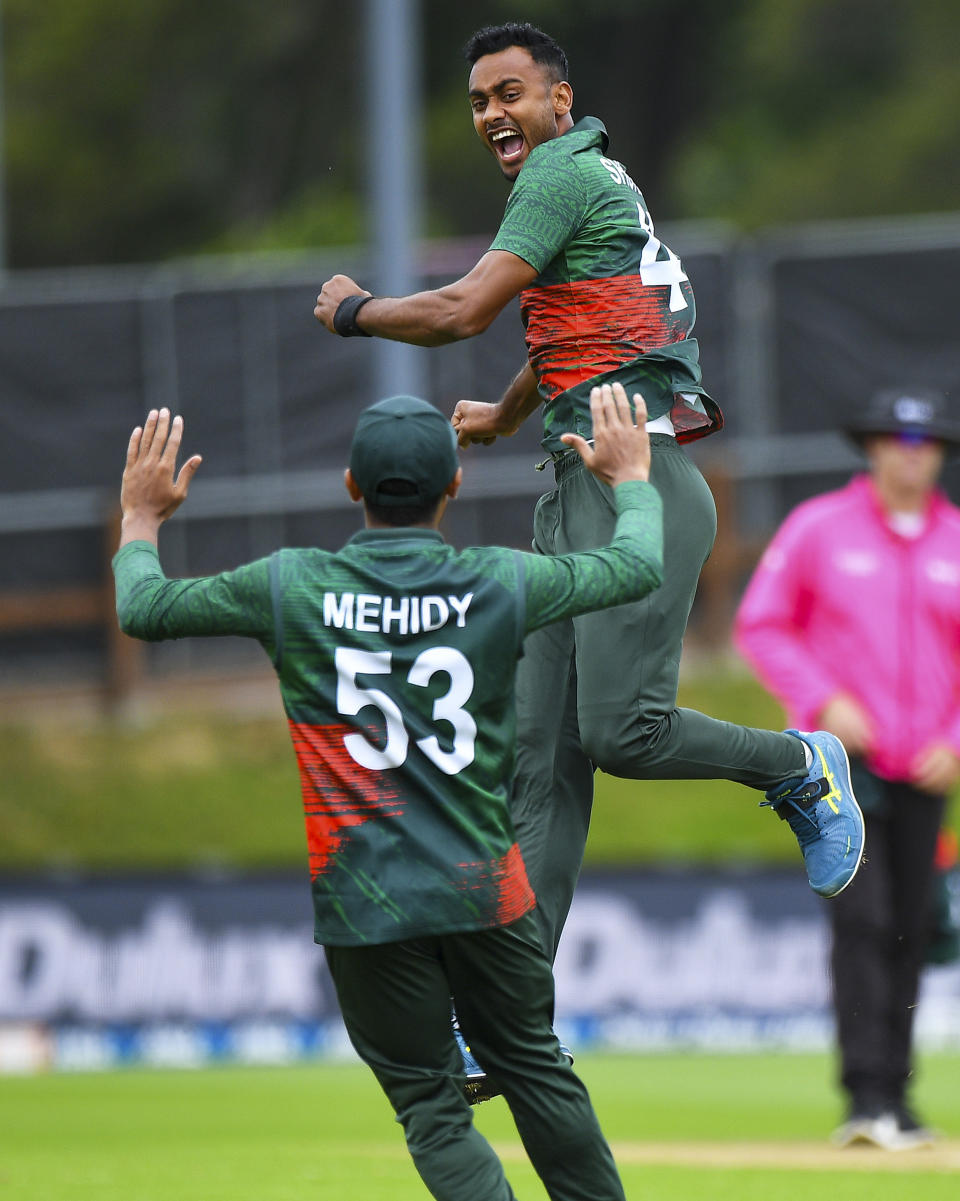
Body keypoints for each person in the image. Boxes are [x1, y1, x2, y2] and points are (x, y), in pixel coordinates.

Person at [313, 18, 865, 978]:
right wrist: (504, 409)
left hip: (637, 483)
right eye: (480, 99)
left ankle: (799, 766)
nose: (493, 112)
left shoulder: (557, 174)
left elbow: (462, 310)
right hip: (580, 486)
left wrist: (356, 312)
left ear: (559, 101)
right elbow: (584, 327)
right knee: (544, 764)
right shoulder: (587, 181)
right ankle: (513, 1006)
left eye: (510, 93)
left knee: (622, 731)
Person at [113, 383, 663, 1201]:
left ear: (349, 486)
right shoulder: (502, 581)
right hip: (487, 889)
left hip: (366, 902)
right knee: (538, 1071)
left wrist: (141, 519)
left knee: (432, 1109)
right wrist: (632, 480)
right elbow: (638, 565)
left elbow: (143, 606)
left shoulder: (290, 586)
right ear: (455, 486)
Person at [734, 387, 960, 1151]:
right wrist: (822, 699)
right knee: (862, 920)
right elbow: (762, 624)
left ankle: (897, 1095)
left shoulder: (956, 541)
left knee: (915, 923)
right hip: (838, 769)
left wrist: (955, 740)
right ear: (871, 447)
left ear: (940, 453)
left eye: (924, 440)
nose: (910, 450)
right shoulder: (818, 529)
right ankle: (867, 1097)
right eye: (896, 437)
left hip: (925, 768)